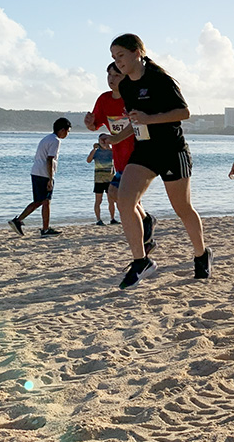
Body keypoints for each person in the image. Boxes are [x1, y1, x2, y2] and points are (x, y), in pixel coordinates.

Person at [102, 34, 212, 288]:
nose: (117, 63)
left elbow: (184, 112)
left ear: (137, 52)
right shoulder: (127, 87)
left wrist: (150, 119)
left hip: (172, 151)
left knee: (182, 208)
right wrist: (116, 138)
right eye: (113, 58)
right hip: (145, 151)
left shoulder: (159, 79)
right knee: (123, 198)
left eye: (121, 56)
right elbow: (135, 120)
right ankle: (141, 261)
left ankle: (201, 254)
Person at [85, 61, 157, 244]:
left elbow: (140, 124)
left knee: (118, 193)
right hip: (120, 158)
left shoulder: (133, 98)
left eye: (117, 75)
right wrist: (90, 124)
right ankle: (146, 222)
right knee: (120, 196)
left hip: (139, 156)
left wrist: (116, 137)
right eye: (109, 75)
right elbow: (96, 125)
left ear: (126, 76)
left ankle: (144, 226)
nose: (112, 79)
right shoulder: (104, 99)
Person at [8, 117, 72, 237]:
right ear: (62, 130)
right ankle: (42, 228)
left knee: (40, 201)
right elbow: (50, 159)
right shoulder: (56, 140)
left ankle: (27, 223)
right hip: (43, 173)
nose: (67, 134)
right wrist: (50, 178)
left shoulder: (47, 138)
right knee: (45, 201)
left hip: (36, 171)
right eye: (68, 131)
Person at [87, 136, 116, 224]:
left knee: (111, 200)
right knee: (98, 200)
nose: (103, 142)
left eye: (105, 140)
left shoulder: (111, 151)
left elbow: (119, 157)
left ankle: (112, 219)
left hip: (110, 179)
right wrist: (94, 149)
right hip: (99, 180)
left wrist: (111, 148)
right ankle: (98, 219)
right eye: (101, 140)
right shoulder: (96, 152)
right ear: (98, 141)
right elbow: (88, 160)